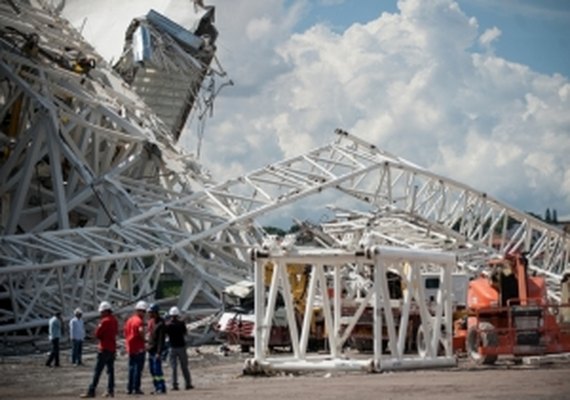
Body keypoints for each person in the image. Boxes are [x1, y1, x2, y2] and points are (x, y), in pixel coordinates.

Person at [81, 301, 119, 398]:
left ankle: (91, 390)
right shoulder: (114, 320)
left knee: (97, 371)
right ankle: (110, 390)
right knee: (111, 371)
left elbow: (97, 334)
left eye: (102, 312)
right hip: (112, 348)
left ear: (106, 311)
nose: (101, 314)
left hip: (104, 348)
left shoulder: (104, 321)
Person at [165, 306, 194, 391]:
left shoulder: (168, 325)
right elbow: (185, 333)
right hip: (181, 346)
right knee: (184, 366)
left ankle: (174, 385)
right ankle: (188, 384)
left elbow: (166, 334)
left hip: (172, 347)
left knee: (173, 367)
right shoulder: (181, 324)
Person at [124, 300, 148, 395]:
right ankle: (136, 388)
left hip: (131, 347)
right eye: (144, 311)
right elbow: (141, 331)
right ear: (141, 311)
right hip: (138, 347)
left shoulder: (130, 320)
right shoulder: (139, 321)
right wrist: (144, 339)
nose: (144, 314)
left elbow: (125, 332)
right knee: (138, 369)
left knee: (131, 368)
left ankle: (129, 388)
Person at [147, 303, 167, 394]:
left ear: (155, 313)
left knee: (157, 370)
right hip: (151, 349)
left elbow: (160, 340)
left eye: (150, 312)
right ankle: (157, 387)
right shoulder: (152, 322)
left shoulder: (160, 324)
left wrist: (159, 352)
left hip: (156, 351)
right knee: (152, 370)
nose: (149, 314)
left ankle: (161, 387)